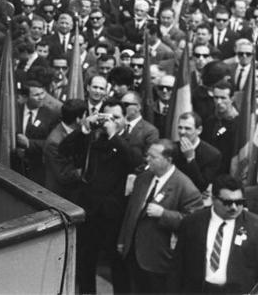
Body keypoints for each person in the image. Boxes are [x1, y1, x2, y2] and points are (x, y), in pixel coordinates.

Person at [58, 99, 145, 294]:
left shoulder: (130, 142)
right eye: (106, 117)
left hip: (115, 213)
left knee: (117, 263)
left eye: (116, 117)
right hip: (90, 209)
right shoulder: (93, 139)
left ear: (124, 119)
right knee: (86, 259)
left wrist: (114, 134)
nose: (110, 121)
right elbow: (63, 149)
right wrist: (84, 128)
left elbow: (135, 162)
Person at [117, 139, 203, 294]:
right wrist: (123, 240)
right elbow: (130, 211)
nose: (147, 159)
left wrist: (164, 214)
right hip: (134, 253)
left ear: (168, 160)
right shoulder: (143, 178)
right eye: (147, 155)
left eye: (153, 157)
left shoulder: (185, 187)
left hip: (159, 259)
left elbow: (194, 223)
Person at [171, 174, 258, 293]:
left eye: (239, 202)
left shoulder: (254, 225)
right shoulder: (192, 223)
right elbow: (178, 265)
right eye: (227, 202)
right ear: (213, 199)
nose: (234, 207)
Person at [173, 112, 221, 195]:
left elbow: (201, 186)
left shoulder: (212, 154)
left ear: (199, 130)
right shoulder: (172, 148)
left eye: (187, 128)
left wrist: (190, 159)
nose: (182, 132)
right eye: (180, 127)